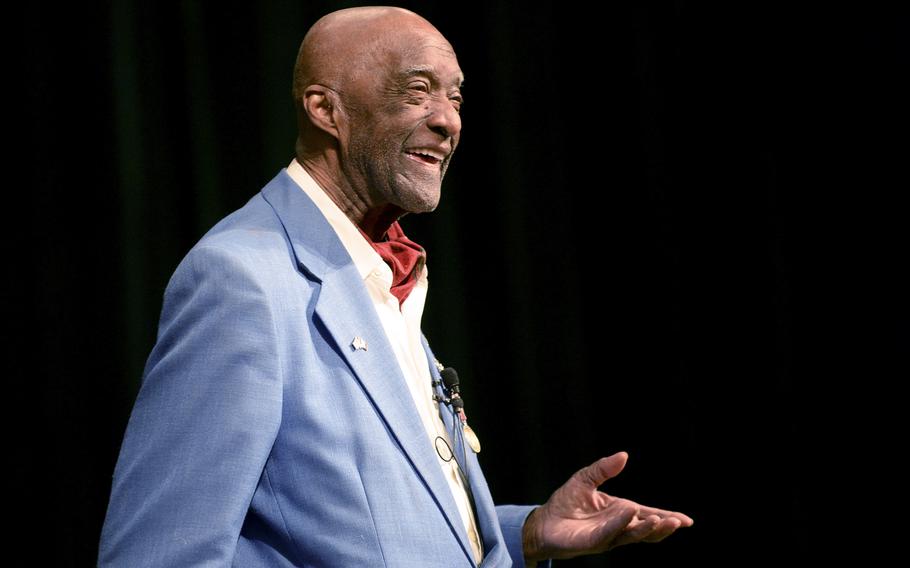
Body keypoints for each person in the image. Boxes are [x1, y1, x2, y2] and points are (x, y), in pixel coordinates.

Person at [98, 6, 692, 567]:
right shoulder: (243, 280)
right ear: (325, 110)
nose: (449, 118)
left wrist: (525, 531)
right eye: (418, 90)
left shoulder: (381, 270)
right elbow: (159, 552)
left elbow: (361, 520)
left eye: (455, 96)